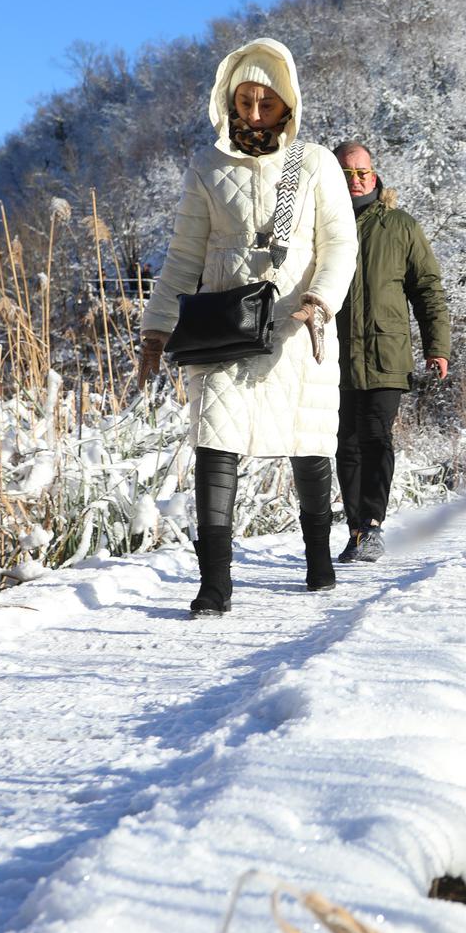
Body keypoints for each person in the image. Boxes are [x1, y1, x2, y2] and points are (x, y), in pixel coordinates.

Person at [136, 39, 357, 616]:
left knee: (309, 442)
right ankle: (215, 585)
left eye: (266, 103)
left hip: (297, 328)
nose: (254, 114)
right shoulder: (207, 166)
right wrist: (156, 330)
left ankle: (317, 557)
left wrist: (320, 301)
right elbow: (183, 256)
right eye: (245, 102)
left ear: (287, 104)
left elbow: (340, 245)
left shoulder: (313, 163)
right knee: (214, 442)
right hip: (221, 326)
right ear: (228, 101)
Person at [331, 141, 451, 563]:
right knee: (344, 443)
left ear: (374, 172)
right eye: (346, 173)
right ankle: (355, 530)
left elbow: (427, 290)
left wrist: (437, 346)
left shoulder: (399, 226)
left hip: (386, 351)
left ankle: (373, 526)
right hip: (333, 354)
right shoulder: (322, 223)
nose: (357, 179)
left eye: (362, 170)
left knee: (375, 436)